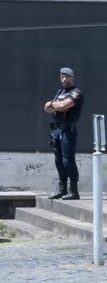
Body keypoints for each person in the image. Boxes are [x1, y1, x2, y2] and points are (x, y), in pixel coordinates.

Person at [44, 66, 84, 200]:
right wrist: (56, 104)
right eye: (62, 76)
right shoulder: (60, 92)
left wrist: (54, 104)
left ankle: (74, 191)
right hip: (57, 130)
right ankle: (62, 189)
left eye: (66, 76)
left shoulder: (76, 92)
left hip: (68, 129)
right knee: (58, 160)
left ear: (72, 77)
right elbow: (46, 108)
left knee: (68, 160)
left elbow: (62, 106)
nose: (64, 79)